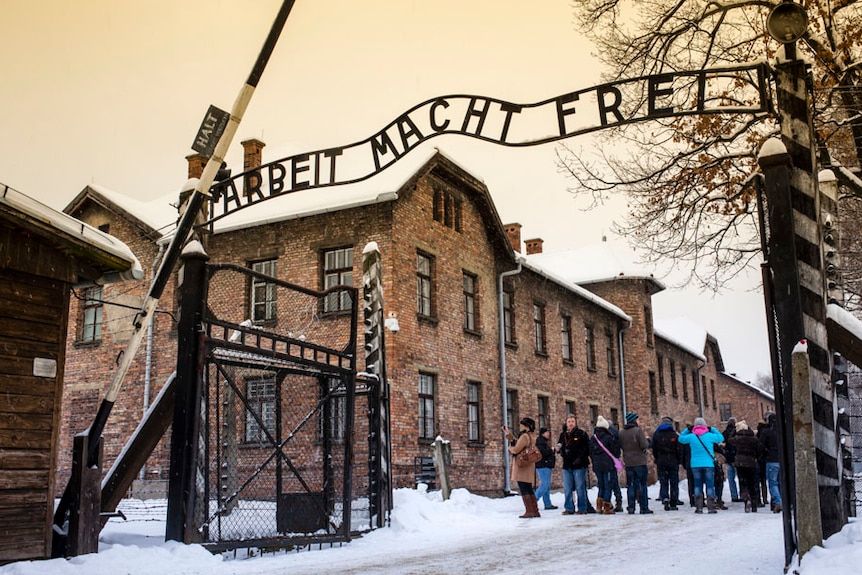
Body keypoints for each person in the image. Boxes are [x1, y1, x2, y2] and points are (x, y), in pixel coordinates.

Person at [678, 416, 725, 513]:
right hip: (708, 464)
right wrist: (711, 428)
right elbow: (721, 437)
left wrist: (687, 430)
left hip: (695, 464)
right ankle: (711, 506)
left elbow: (681, 438)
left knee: (697, 485)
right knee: (710, 485)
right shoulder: (709, 435)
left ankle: (698, 506)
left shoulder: (691, 437)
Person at [503, 417, 541, 518]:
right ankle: (535, 510)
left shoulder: (524, 436)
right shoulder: (532, 436)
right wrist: (509, 435)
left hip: (522, 465)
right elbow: (519, 442)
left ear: (526, 426)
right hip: (529, 464)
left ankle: (529, 511)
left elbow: (516, 449)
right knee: (528, 487)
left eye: (522, 424)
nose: (521, 426)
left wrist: (510, 447)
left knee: (523, 487)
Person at [619, 412, 653, 514]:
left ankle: (631, 507)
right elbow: (644, 445)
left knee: (631, 485)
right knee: (642, 485)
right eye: (637, 420)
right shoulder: (638, 431)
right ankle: (643, 507)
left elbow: (621, 445)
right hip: (640, 462)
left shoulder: (621, 432)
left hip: (628, 462)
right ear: (634, 420)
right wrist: (648, 440)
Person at [556, 414, 590, 515]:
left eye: (572, 421)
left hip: (579, 465)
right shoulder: (563, 435)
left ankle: (582, 508)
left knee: (580, 487)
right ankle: (569, 507)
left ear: (575, 423)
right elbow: (560, 444)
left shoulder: (581, 434)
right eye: (569, 421)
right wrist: (559, 450)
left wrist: (580, 458)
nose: (570, 423)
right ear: (566, 423)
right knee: (567, 487)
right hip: (567, 465)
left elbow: (586, 448)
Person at [728, 420, 764, 512]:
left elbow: (729, 440)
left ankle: (746, 498)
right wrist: (756, 457)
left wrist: (734, 431)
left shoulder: (737, 438)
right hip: (752, 462)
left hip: (740, 463)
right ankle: (754, 503)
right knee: (753, 483)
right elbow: (760, 450)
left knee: (743, 482)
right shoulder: (754, 439)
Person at [589, 415, 620, 514]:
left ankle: (599, 506)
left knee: (601, 485)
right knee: (608, 485)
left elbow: (590, 452)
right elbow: (615, 452)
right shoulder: (609, 437)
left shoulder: (593, 438)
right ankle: (607, 507)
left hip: (597, 465)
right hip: (608, 465)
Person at [651, 416, 681, 511]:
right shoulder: (674, 435)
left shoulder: (657, 435)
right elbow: (679, 449)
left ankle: (665, 498)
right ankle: (673, 502)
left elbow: (654, 449)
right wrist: (678, 460)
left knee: (663, 481)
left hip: (661, 461)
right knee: (674, 482)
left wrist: (657, 458)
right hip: (673, 461)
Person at [758, 412, 782, 513]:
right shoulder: (781, 431)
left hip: (771, 460)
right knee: (780, 482)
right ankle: (783, 501)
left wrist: (765, 453)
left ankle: (777, 502)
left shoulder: (766, 432)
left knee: (773, 483)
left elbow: (761, 446)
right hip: (781, 459)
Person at [534, 427, 558, 510]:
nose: (549, 434)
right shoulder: (540, 442)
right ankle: (533, 501)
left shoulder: (543, 442)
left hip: (545, 465)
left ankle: (547, 503)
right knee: (545, 485)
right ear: (542, 433)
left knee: (546, 486)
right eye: (547, 432)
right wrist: (552, 450)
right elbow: (543, 453)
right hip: (543, 465)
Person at [722, 417, 741, 502]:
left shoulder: (725, 433)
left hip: (729, 458)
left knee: (731, 478)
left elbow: (722, 444)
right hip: (738, 458)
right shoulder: (738, 432)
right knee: (741, 478)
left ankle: (734, 496)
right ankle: (743, 494)